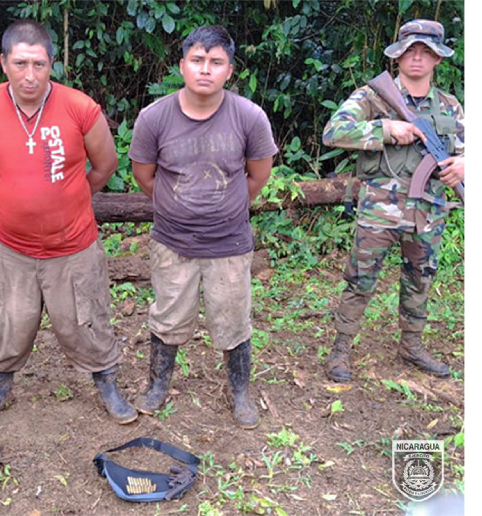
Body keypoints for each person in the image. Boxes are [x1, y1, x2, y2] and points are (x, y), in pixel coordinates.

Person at [0, 20, 137, 428]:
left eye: (38, 64)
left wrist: (67, 196)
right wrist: (15, 191)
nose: (30, 75)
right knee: (8, 321)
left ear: (51, 64)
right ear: (3, 63)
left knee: (87, 320)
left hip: (73, 245)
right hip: (9, 246)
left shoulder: (80, 108)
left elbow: (105, 165)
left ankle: (108, 386)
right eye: (20, 64)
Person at [129, 26, 278, 429]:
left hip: (229, 242)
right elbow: (145, 176)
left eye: (216, 62)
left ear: (229, 70)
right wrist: (177, 208)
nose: (205, 69)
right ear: (182, 66)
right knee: (168, 315)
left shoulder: (249, 117)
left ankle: (240, 392)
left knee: (233, 318)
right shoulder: (154, 117)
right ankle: (158, 386)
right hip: (172, 241)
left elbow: (257, 176)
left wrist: (224, 208)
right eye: (197, 60)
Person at [321, 19, 464, 382]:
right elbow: (333, 132)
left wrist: (464, 164)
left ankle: (411, 346)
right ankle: (341, 349)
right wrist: (385, 129)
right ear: (397, 56)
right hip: (379, 210)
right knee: (360, 279)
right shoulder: (374, 96)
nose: (417, 58)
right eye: (410, 50)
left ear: (438, 58)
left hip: (428, 211)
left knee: (420, 279)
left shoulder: (449, 106)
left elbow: (466, 150)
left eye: (426, 51)